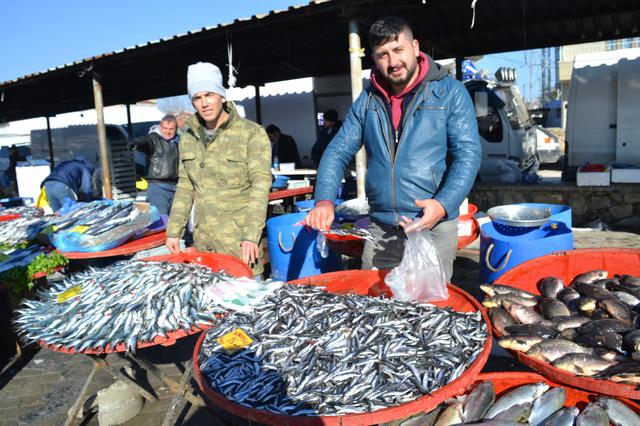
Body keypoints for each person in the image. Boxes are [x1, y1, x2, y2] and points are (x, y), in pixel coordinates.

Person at [305, 16, 481, 281]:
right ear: (374, 59)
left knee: (429, 311)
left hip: (432, 226)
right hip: (382, 230)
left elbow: (467, 154)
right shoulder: (367, 101)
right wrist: (324, 200)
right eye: (383, 54)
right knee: (375, 305)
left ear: (415, 46)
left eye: (398, 50)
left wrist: (442, 205)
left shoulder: (450, 92)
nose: (393, 61)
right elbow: (337, 151)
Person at [165, 62, 271, 276]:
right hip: (205, 242)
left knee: (248, 303)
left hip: (240, 241)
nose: (204, 103)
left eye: (209, 94)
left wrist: (251, 235)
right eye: (197, 97)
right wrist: (173, 231)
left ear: (222, 96)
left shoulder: (251, 133)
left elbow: (261, 186)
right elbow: (185, 186)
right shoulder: (188, 138)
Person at [127, 114, 180, 216]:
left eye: (171, 129)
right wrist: (135, 143)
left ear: (176, 129)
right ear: (160, 127)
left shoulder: (179, 141)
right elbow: (144, 140)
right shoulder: (154, 139)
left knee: (176, 221)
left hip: (176, 187)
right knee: (161, 218)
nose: (168, 132)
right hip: (158, 187)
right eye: (165, 128)